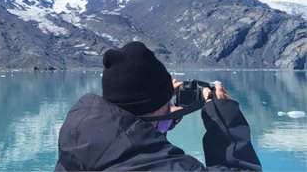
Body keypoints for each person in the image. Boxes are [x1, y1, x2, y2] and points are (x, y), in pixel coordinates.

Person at [55, 41, 262, 171]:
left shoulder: (77, 144)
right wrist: (226, 122)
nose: (171, 106)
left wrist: (161, 118)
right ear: (154, 111)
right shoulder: (178, 167)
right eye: (167, 103)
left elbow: (129, 143)